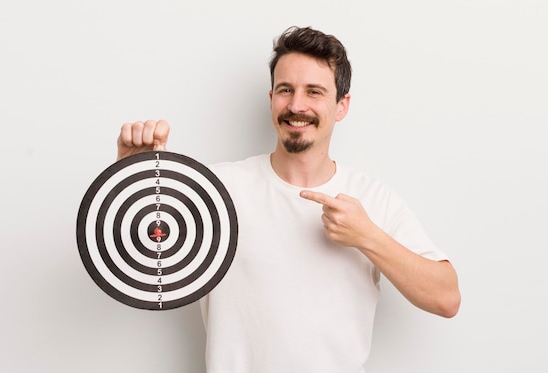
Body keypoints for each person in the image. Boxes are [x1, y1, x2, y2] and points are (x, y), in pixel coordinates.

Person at [116, 26, 460, 372]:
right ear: (271, 99)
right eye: (286, 90)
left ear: (341, 106)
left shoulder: (371, 198)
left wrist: (368, 238)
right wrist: (129, 177)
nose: (297, 105)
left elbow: (446, 298)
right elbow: (143, 261)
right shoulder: (218, 189)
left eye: (314, 92)